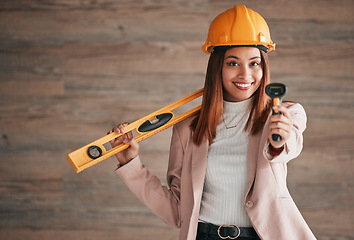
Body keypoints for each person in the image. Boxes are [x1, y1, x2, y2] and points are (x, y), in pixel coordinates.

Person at [108, 5, 317, 240]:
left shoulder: (286, 114)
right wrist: (131, 164)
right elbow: (177, 212)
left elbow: (285, 148)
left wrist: (280, 138)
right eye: (233, 63)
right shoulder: (187, 130)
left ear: (264, 66)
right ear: (217, 66)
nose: (245, 75)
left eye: (254, 63)